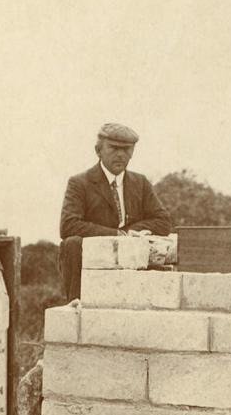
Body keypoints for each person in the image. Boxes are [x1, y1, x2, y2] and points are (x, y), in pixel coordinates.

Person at [59, 123, 172, 302]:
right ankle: (76, 302)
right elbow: (68, 225)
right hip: (93, 258)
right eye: (113, 148)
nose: (121, 154)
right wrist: (116, 235)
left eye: (127, 149)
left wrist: (132, 231)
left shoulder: (140, 183)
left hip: (131, 260)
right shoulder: (80, 183)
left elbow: (163, 221)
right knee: (72, 243)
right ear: (98, 150)